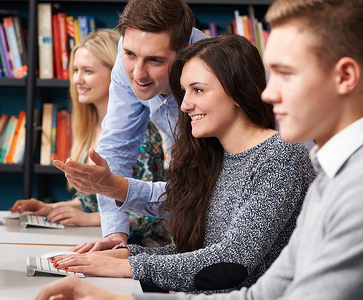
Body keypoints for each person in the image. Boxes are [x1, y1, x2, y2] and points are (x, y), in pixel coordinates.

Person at [34, 0, 363, 299]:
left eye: (285, 74)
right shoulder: (325, 178)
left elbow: (233, 263)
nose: (269, 93)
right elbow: (265, 289)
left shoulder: (310, 168)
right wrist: (122, 254)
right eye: (183, 91)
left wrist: (128, 279)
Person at [50, 0, 208, 253]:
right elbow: (115, 151)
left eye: (155, 61)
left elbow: (208, 191)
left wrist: (115, 186)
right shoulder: (131, 60)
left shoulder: (216, 73)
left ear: (186, 52)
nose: (138, 73)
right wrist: (114, 231)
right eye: (129, 54)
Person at [11, 29, 171, 247]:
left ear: (116, 73)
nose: (78, 79)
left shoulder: (142, 133)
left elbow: (151, 213)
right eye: (75, 70)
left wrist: (87, 219)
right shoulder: (89, 126)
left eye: (88, 71)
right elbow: (93, 199)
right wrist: (52, 208)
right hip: (103, 238)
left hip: (141, 248)